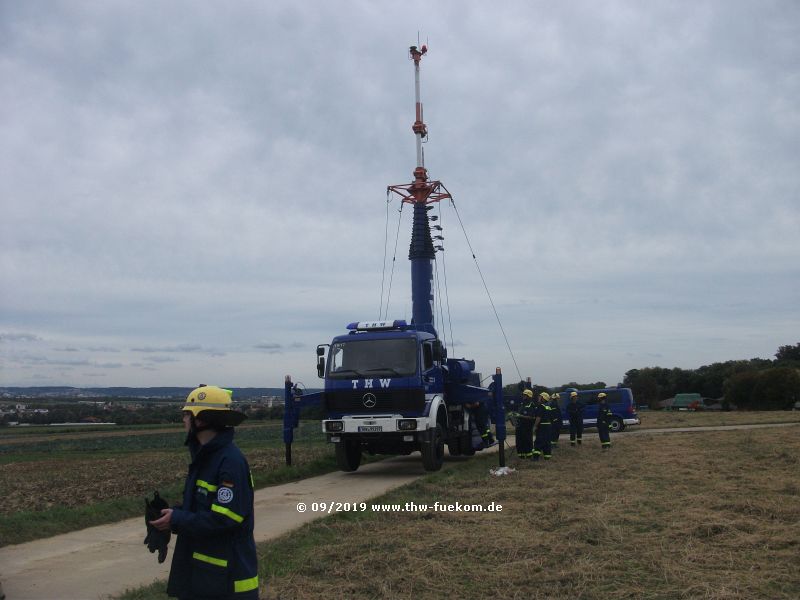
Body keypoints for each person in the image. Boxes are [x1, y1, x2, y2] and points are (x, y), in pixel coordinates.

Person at [150, 385, 260, 599]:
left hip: (227, 581)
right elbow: (201, 508)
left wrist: (179, 519)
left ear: (200, 420)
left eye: (186, 415)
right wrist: (170, 515)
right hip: (206, 577)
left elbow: (224, 519)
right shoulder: (205, 457)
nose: (183, 420)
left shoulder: (229, 462)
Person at [514, 389, 536, 459]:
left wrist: (520, 416)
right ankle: (521, 456)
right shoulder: (521, 404)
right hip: (519, 426)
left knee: (527, 441)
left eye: (525, 395)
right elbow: (519, 413)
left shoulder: (531, 405)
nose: (523, 396)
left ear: (529, 396)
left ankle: (529, 455)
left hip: (527, 427)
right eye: (523, 395)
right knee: (519, 441)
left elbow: (532, 417)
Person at [532, 392, 552, 461]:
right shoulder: (549, 407)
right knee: (547, 442)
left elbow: (538, 418)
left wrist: (535, 426)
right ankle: (547, 457)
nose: (538, 398)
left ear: (543, 399)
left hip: (542, 426)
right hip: (548, 426)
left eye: (540, 397)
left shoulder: (541, 406)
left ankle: (535, 457)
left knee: (538, 441)